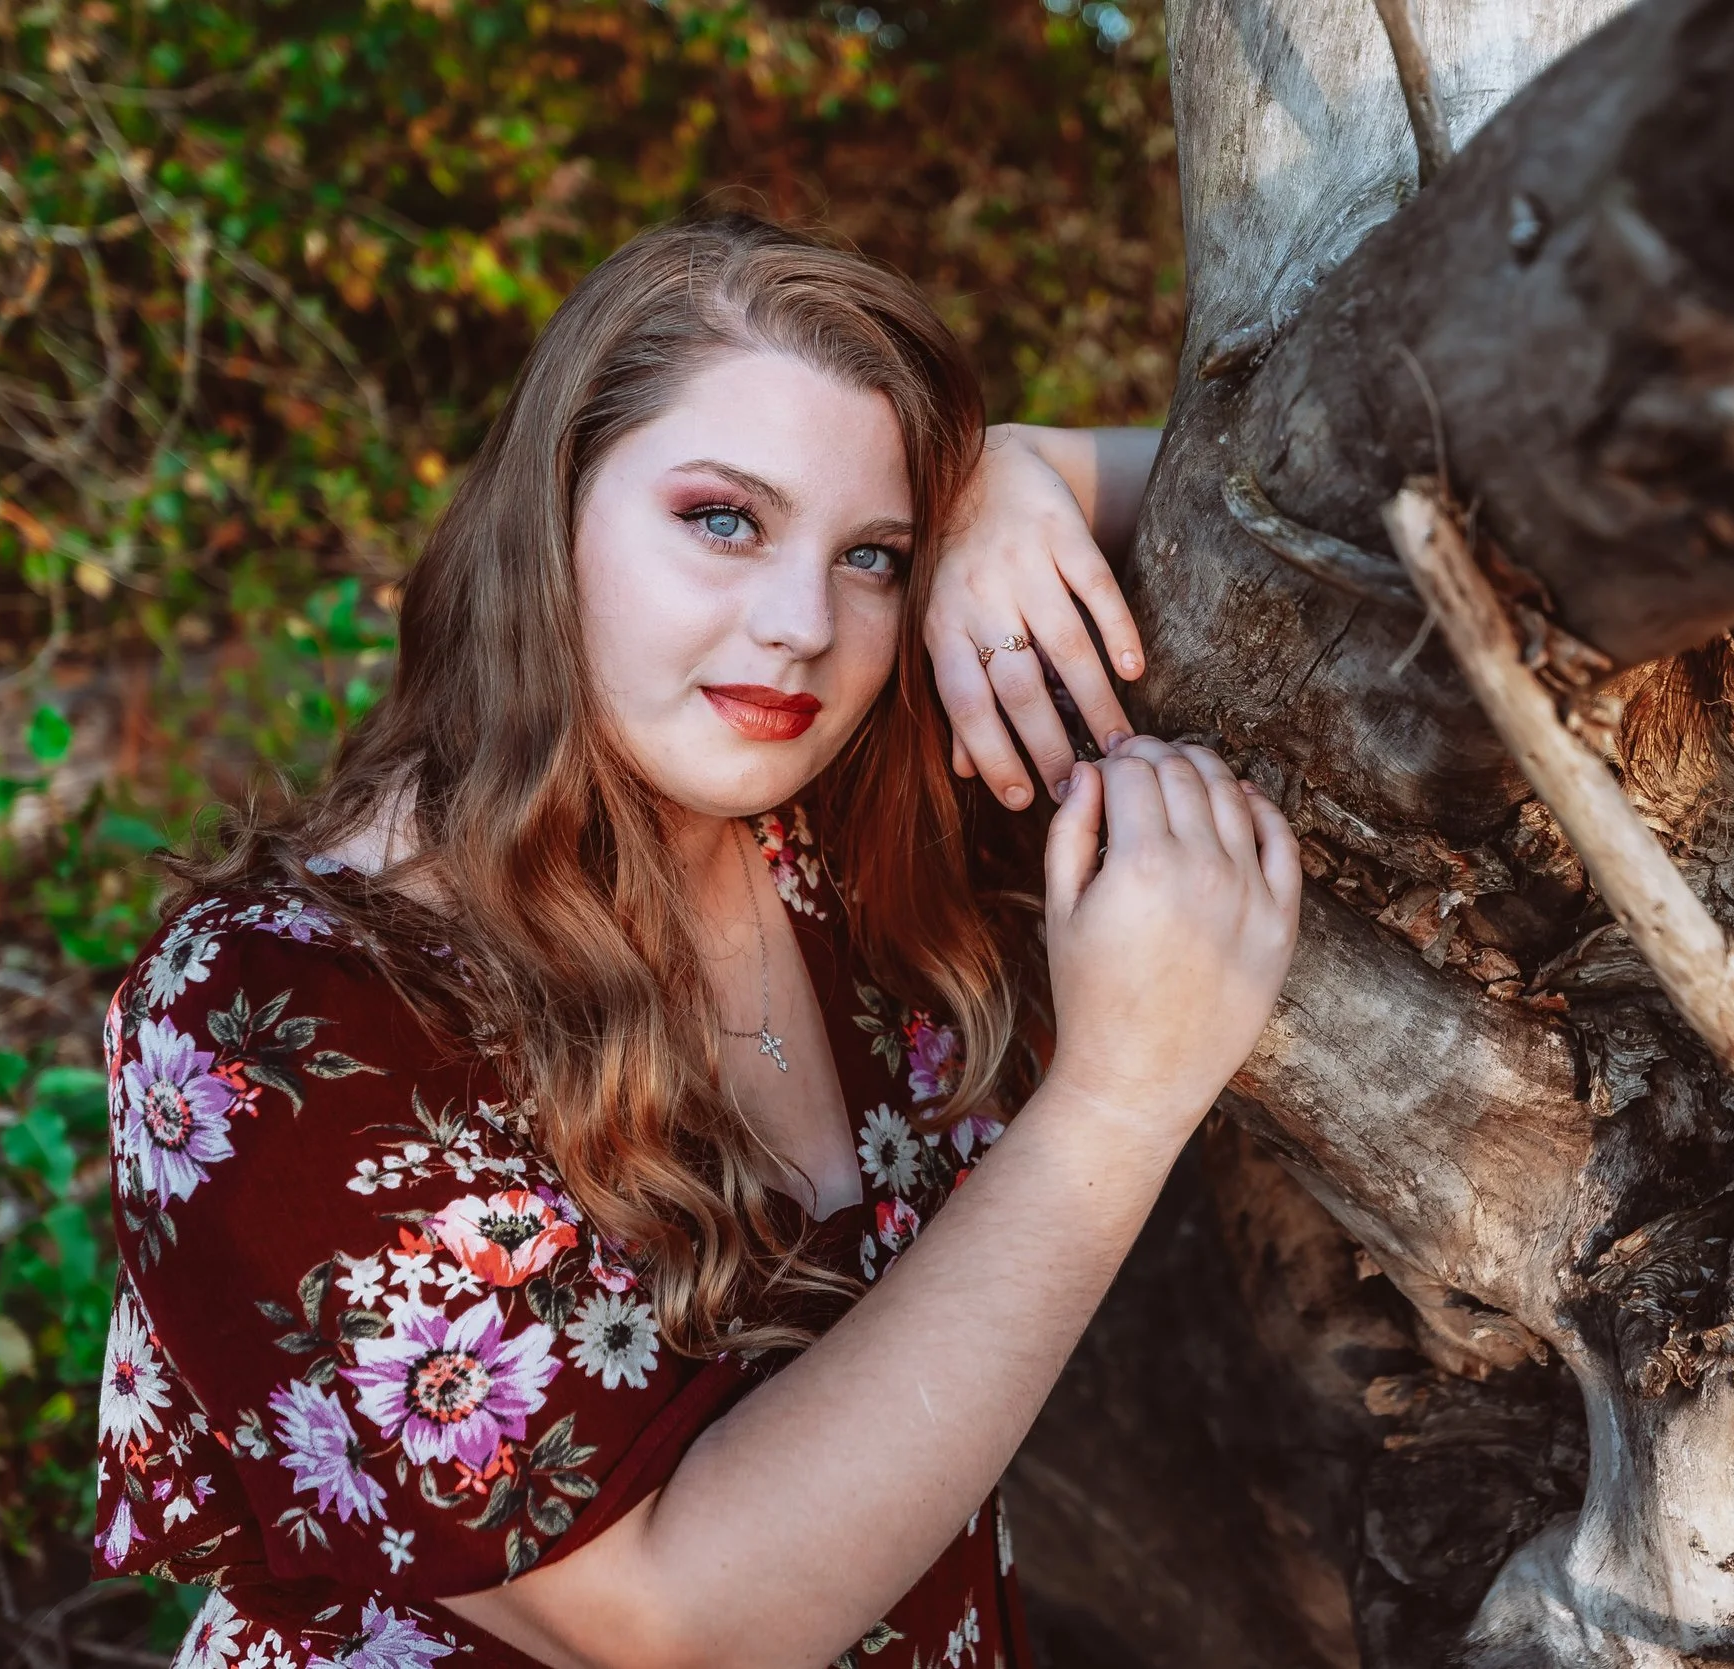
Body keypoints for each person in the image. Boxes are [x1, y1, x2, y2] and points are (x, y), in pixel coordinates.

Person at [90, 215, 1299, 1669]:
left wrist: (1015, 474)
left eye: (874, 554)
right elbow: (670, 1625)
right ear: (551, 510)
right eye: (724, 520)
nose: (801, 625)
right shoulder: (272, 1010)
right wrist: (1116, 1105)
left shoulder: (840, 837)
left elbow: (1305, 495)